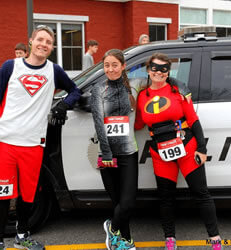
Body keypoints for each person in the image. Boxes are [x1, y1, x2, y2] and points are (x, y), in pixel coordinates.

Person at [0, 25, 82, 250]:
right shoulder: (10, 67)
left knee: (28, 194)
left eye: (48, 42)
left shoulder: (54, 71)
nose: (44, 44)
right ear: (30, 42)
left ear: (52, 47)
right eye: (40, 39)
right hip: (5, 140)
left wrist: (63, 105)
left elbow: (75, 90)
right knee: (4, 194)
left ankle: (22, 236)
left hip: (34, 143)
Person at [133, 52, 222, 250]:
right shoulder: (141, 96)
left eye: (164, 69)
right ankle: (170, 239)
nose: (159, 72)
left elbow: (193, 120)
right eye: (155, 68)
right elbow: (137, 124)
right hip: (160, 152)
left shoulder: (177, 91)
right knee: (166, 197)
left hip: (187, 147)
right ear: (148, 70)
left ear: (169, 71)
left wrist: (201, 148)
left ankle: (215, 240)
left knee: (201, 193)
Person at [91, 49, 138, 250]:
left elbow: (160, 80)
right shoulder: (98, 89)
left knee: (127, 203)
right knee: (117, 200)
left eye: (114, 65)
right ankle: (124, 241)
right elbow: (99, 124)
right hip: (107, 153)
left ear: (123, 66)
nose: (110, 69)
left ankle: (112, 227)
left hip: (128, 152)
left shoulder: (134, 87)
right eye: (107, 65)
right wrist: (107, 153)